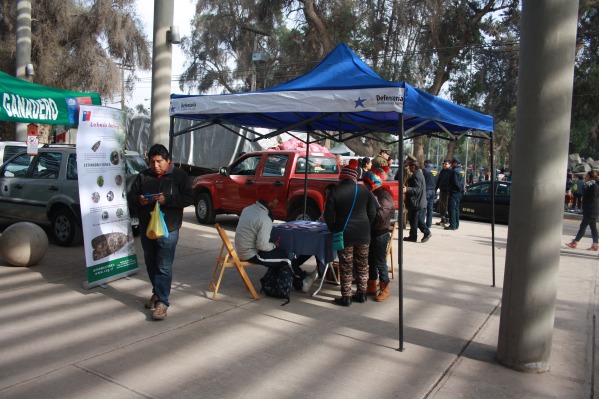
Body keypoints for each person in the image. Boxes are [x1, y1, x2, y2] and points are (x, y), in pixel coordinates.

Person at [128, 143, 194, 321]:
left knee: (164, 266)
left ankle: (162, 303)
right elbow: (130, 197)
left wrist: (168, 200)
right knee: (150, 263)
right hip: (148, 228)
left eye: (159, 161)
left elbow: (189, 197)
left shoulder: (179, 176)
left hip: (168, 228)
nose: (155, 166)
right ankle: (157, 292)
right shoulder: (143, 176)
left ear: (168, 161)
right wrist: (139, 200)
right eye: (152, 162)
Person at [235, 185, 318, 292]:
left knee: (284, 253)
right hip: (251, 254)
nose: (277, 201)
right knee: (287, 258)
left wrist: (274, 246)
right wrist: (274, 245)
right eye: (275, 199)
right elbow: (262, 246)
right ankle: (302, 282)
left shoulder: (248, 209)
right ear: (269, 202)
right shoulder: (264, 219)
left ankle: (302, 278)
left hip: (242, 249)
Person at [324, 163, 377, 307]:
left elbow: (328, 215)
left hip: (344, 233)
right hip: (363, 234)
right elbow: (373, 212)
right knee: (362, 265)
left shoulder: (335, 191)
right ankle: (361, 294)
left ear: (341, 177)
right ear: (355, 178)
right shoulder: (364, 190)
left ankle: (346, 297)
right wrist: (366, 225)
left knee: (346, 265)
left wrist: (334, 228)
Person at [362, 169, 394, 301]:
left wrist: (367, 212)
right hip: (372, 232)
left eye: (366, 183)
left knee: (380, 262)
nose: (365, 185)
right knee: (371, 261)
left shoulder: (384, 195)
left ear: (372, 182)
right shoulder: (373, 193)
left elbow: (381, 215)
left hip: (380, 234)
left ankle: (385, 287)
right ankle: (371, 285)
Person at [566, 171, 599, 251]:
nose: (585, 177)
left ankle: (575, 242)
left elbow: (593, 199)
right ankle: (595, 244)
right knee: (593, 228)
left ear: (590, 177)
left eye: (586, 175)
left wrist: (586, 207)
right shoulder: (591, 185)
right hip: (592, 209)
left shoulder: (593, 186)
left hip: (591, 209)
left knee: (583, 226)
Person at [403, 160, 431, 243]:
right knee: (413, 220)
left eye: (410, 166)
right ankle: (413, 236)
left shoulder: (416, 175)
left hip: (417, 202)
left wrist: (407, 189)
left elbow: (418, 189)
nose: (409, 168)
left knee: (416, 220)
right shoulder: (418, 174)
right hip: (417, 201)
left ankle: (426, 232)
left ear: (413, 167)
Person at [445, 157, 465, 231]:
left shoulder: (454, 171)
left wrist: (458, 188)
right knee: (456, 208)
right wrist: (461, 189)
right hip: (460, 192)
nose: (451, 165)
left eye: (452, 163)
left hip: (454, 191)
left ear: (455, 163)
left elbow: (455, 182)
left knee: (452, 208)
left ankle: (452, 225)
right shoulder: (462, 170)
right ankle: (456, 224)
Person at [435, 160, 452, 226]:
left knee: (446, 205)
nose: (444, 165)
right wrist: (436, 188)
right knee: (441, 205)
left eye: (446, 164)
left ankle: (447, 220)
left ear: (449, 164)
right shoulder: (442, 171)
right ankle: (442, 219)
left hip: (447, 191)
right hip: (442, 190)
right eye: (443, 164)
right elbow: (439, 180)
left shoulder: (451, 171)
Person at [422, 160, 436, 229]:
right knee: (430, 209)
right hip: (433, 191)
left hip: (426, 190)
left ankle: (422, 223)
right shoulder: (436, 171)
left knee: (424, 207)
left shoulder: (424, 170)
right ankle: (429, 224)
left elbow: (422, 181)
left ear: (426, 163)